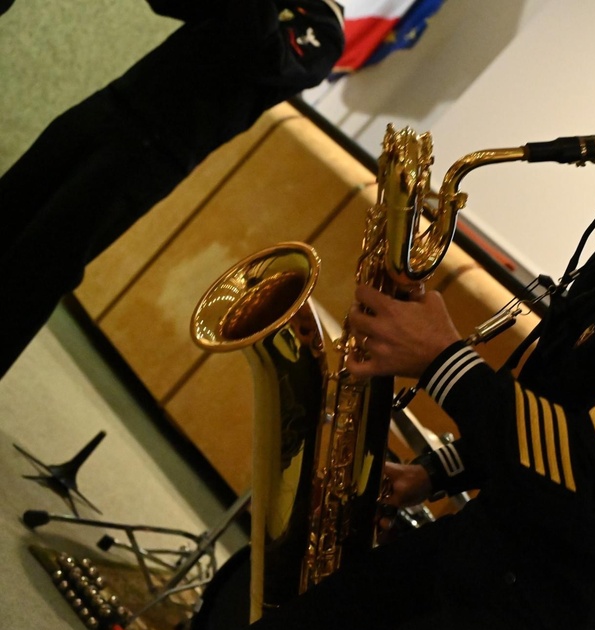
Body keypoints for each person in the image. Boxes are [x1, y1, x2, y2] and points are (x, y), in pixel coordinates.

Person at [204, 2, 595, 630]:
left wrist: (444, 361)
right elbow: (569, 394)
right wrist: (440, 470)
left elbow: (594, 484)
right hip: (500, 550)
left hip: (561, 620)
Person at [0, 0, 345, 378]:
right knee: (11, 204)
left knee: (45, 262)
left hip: (154, 153)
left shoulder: (324, 31)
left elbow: (255, 51)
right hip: (112, 105)